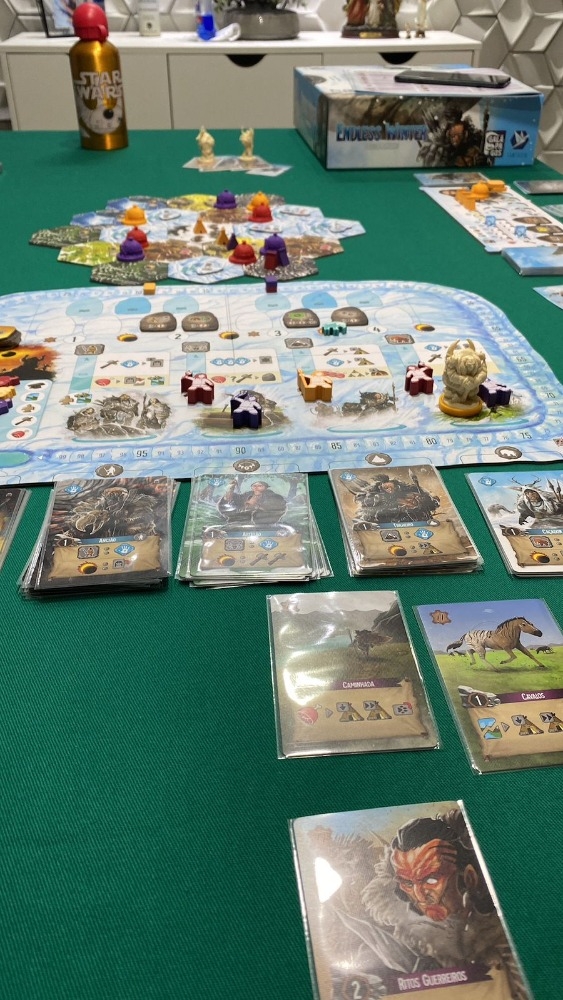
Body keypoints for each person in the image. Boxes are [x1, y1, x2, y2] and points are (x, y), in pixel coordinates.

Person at [217, 479, 287, 525]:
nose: (256, 487)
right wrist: (231, 489)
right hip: (241, 522)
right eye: (254, 486)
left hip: (263, 523)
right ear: (252, 487)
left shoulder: (274, 496)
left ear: (265, 487)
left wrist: (258, 507)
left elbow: (278, 508)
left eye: (260, 486)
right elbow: (231, 500)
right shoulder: (246, 495)